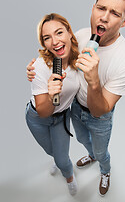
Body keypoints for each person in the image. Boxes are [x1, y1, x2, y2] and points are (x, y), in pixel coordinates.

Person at [27, 0, 125, 196]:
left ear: (124, 21)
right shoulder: (79, 35)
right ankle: (91, 155)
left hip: (100, 117)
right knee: (81, 140)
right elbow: (56, 57)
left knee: (101, 151)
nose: (104, 17)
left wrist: (94, 81)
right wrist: (34, 70)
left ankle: (105, 170)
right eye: (101, 8)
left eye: (114, 13)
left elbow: (101, 109)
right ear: (93, 9)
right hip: (74, 108)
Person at [25, 13, 80, 196]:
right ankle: (57, 160)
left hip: (62, 117)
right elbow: (43, 112)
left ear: (69, 33)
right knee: (50, 151)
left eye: (58, 33)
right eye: (47, 38)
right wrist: (51, 95)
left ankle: (69, 176)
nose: (54, 41)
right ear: (44, 43)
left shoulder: (80, 62)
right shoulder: (40, 67)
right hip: (37, 118)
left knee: (63, 159)